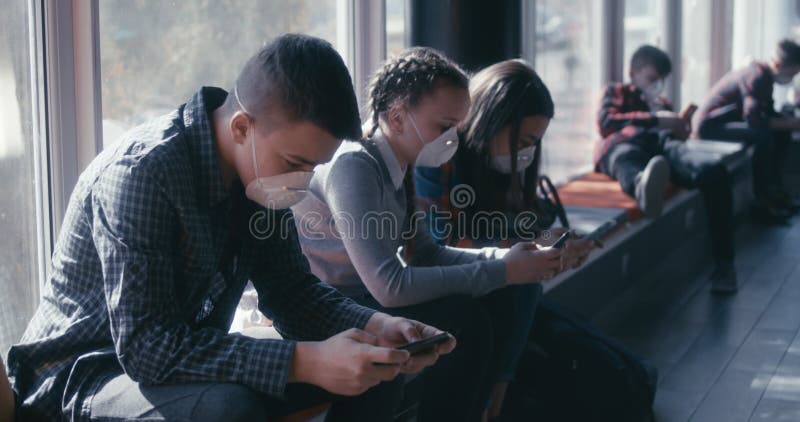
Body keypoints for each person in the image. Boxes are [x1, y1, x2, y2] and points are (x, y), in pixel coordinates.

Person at [6, 34, 452, 421]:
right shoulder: (143, 174)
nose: (302, 181)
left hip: (178, 360)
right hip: (85, 375)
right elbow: (146, 348)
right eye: (296, 163)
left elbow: (293, 292)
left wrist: (377, 325)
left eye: (313, 167)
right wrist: (304, 361)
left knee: (373, 371)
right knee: (226, 410)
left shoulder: (263, 180)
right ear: (242, 127)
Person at [291, 47, 567, 421]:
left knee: (497, 301)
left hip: (361, 299)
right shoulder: (354, 164)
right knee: (464, 319)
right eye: (443, 126)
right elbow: (387, 285)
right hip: (327, 305)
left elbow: (426, 252)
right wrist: (503, 270)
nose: (452, 139)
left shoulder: (399, 164)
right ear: (398, 116)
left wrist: (507, 261)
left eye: (456, 127)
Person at [413, 59, 596, 418]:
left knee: (523, 286)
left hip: (482, 277)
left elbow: (519, 225)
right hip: (433, 273)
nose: (528, 153)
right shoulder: (438, 154)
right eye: (525, 141)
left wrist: (552, 243)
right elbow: (441, 242)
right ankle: (495, 397)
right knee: (518, 288)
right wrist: (533, 246)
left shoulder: (497, 165)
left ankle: (496, 395)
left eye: (535, 143)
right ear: (493, 121)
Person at [595, 45, 739, 294]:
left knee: (714, 173)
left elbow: (676, 139)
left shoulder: (663, 103)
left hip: (662, 146)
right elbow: (606, 123)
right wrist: (657, 119)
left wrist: (680, 128)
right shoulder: (616, 91)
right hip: (624, 142)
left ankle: (725, 266)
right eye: (652, 78)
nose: (657, 85)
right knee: (625, 159)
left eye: (661, 80)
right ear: (633, 72)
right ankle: (642, 185)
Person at [695, 38, 800, 220]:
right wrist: (792, 124)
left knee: (780, 133)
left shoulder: (765, 77)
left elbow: (767, 112)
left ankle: (775, 190)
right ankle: (761, 199)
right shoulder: (756, 76)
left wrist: (788, 121)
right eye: (791, 74)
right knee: (763, 137)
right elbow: (754, 119)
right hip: (709, 127)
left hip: (724, 124)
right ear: (777, 64)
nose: (791, 79)